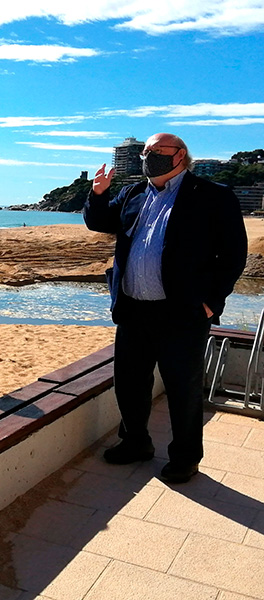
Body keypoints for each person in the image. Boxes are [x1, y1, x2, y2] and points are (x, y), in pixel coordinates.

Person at [83, 133, 247, 483]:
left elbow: (233, 256)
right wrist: (97, 194)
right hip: (133, 310)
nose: (148, 156)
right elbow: (100, 222)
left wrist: (210, 303)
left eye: (158, 151)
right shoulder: (133, 193)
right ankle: (135, 443)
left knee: (182, 389)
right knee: (128, 383)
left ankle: (185, 458)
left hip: (183, 313)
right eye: (145, 151)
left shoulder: (213, 196)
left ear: (181, 155)